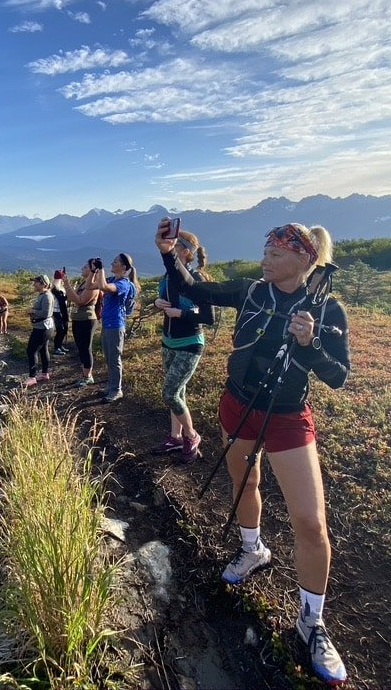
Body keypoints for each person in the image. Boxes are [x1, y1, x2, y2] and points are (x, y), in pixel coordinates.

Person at [155, 217, 351, 686]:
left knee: (310, 520)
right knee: (245, 481)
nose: (265, 259)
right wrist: (167, 253)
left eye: (275, 253)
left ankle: (312, 622)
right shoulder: (251, 291)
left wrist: (309, 343)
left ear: (305, 258)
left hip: (286, 416)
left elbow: (338, 375)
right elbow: (197, 291)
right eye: (265, 250)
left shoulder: (327, 308)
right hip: (238, 402)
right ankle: (252, 548)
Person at [152, 229, 215, 464]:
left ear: (186, 253)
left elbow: (208, 317)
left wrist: (182, 313)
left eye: (175, 246)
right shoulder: (167, 277)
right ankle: (175, 437)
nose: (170, 249)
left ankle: (191, 436)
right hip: (168, 342)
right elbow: (160, 301)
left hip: (190, 343)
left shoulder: (197, 280)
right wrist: (158, 303)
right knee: (178, 392)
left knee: (170, 394)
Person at [87, 253, 139, 403]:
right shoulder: (112, 279)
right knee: (109, 358)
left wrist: (101, 270)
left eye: (115, 262)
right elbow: (90, 286)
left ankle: (117, 390)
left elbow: (103, 287)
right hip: (108, 324)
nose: (112, 263)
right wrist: (93, 271)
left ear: (124, 267)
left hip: (116, 325)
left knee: (115, 359)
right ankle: (111, 386)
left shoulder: (124, 284)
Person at [61, 260, 101, 387]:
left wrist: (66, 284)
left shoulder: (93, 286)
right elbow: (71, 298)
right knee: (81, 347)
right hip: (78, 319)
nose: (82, 268)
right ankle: (84, 374)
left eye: (85, 267)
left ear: (92, 270)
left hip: (87, 320)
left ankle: (88, 376)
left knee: (85, 347)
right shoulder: (84, 284)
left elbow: (79, 301)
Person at [22, 274, 55, 388]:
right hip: (44, 327)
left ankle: (32, 377)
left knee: (31, 350)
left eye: (35, 282)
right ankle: (45, 374)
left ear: (42, 284)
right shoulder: (43, 295)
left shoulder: (46, 296)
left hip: (42, 328)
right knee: (43, 349)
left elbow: (46, 313)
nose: (33, 284)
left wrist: (32, 311)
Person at [50, 270, 70, 355]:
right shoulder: (54, 288)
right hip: (56, 311)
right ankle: (56, 347)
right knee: (60, 330)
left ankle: (60, 345)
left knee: (64, 329)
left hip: (63, 311)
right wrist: (67, 297)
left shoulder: (61, 287)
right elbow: (61, 299)